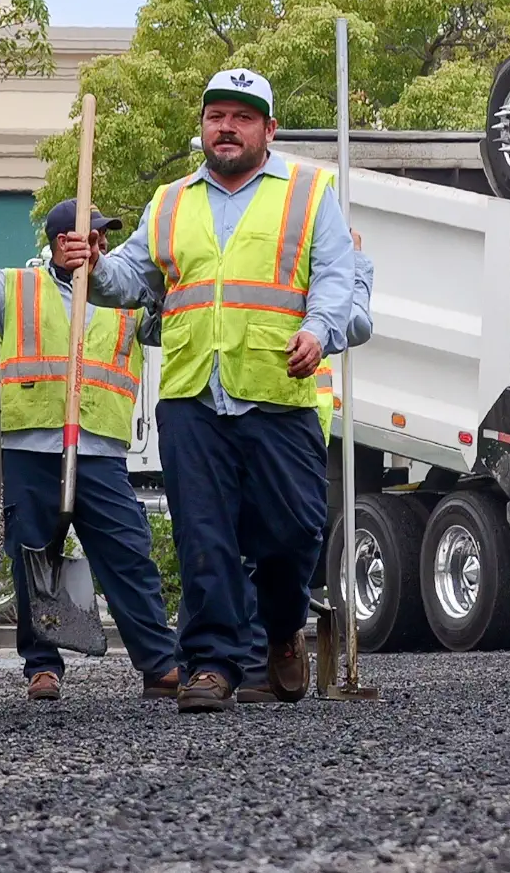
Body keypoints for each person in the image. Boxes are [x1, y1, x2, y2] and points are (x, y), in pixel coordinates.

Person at [69, 68, 370, 712]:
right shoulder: (171, 201)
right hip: (191, 397)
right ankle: (211, 663)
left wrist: (319, 331)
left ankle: (282, 630)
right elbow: (130, 278)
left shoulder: (311, 192)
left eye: (241, 116)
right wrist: (93, 265)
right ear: (202, 126)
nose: (226, 127)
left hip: (278, 392)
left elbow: (338, 279)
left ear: (268, 129)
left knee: (290, 537)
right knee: (203, 536)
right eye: (215, 116)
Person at [0, 202, 180, 702]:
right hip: (32, 448)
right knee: (33, 558)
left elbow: (171, 314)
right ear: (60, 241)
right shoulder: (18, 289)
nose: (100, 246)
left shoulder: (125, 295)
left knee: (130, 555)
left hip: (100, 452)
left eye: (103, 238)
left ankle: (159, 664)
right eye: (90, 237)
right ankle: (42, 667)